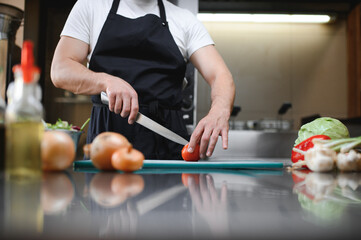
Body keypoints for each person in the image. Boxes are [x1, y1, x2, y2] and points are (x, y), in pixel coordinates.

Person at [51, 0, 235, 160]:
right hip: (108, 140)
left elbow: (220, 75)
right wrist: (105, 81)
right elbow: (61, 70)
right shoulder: (90, 7)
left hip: (168, 142)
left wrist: (220, 109)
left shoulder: (184, 19)